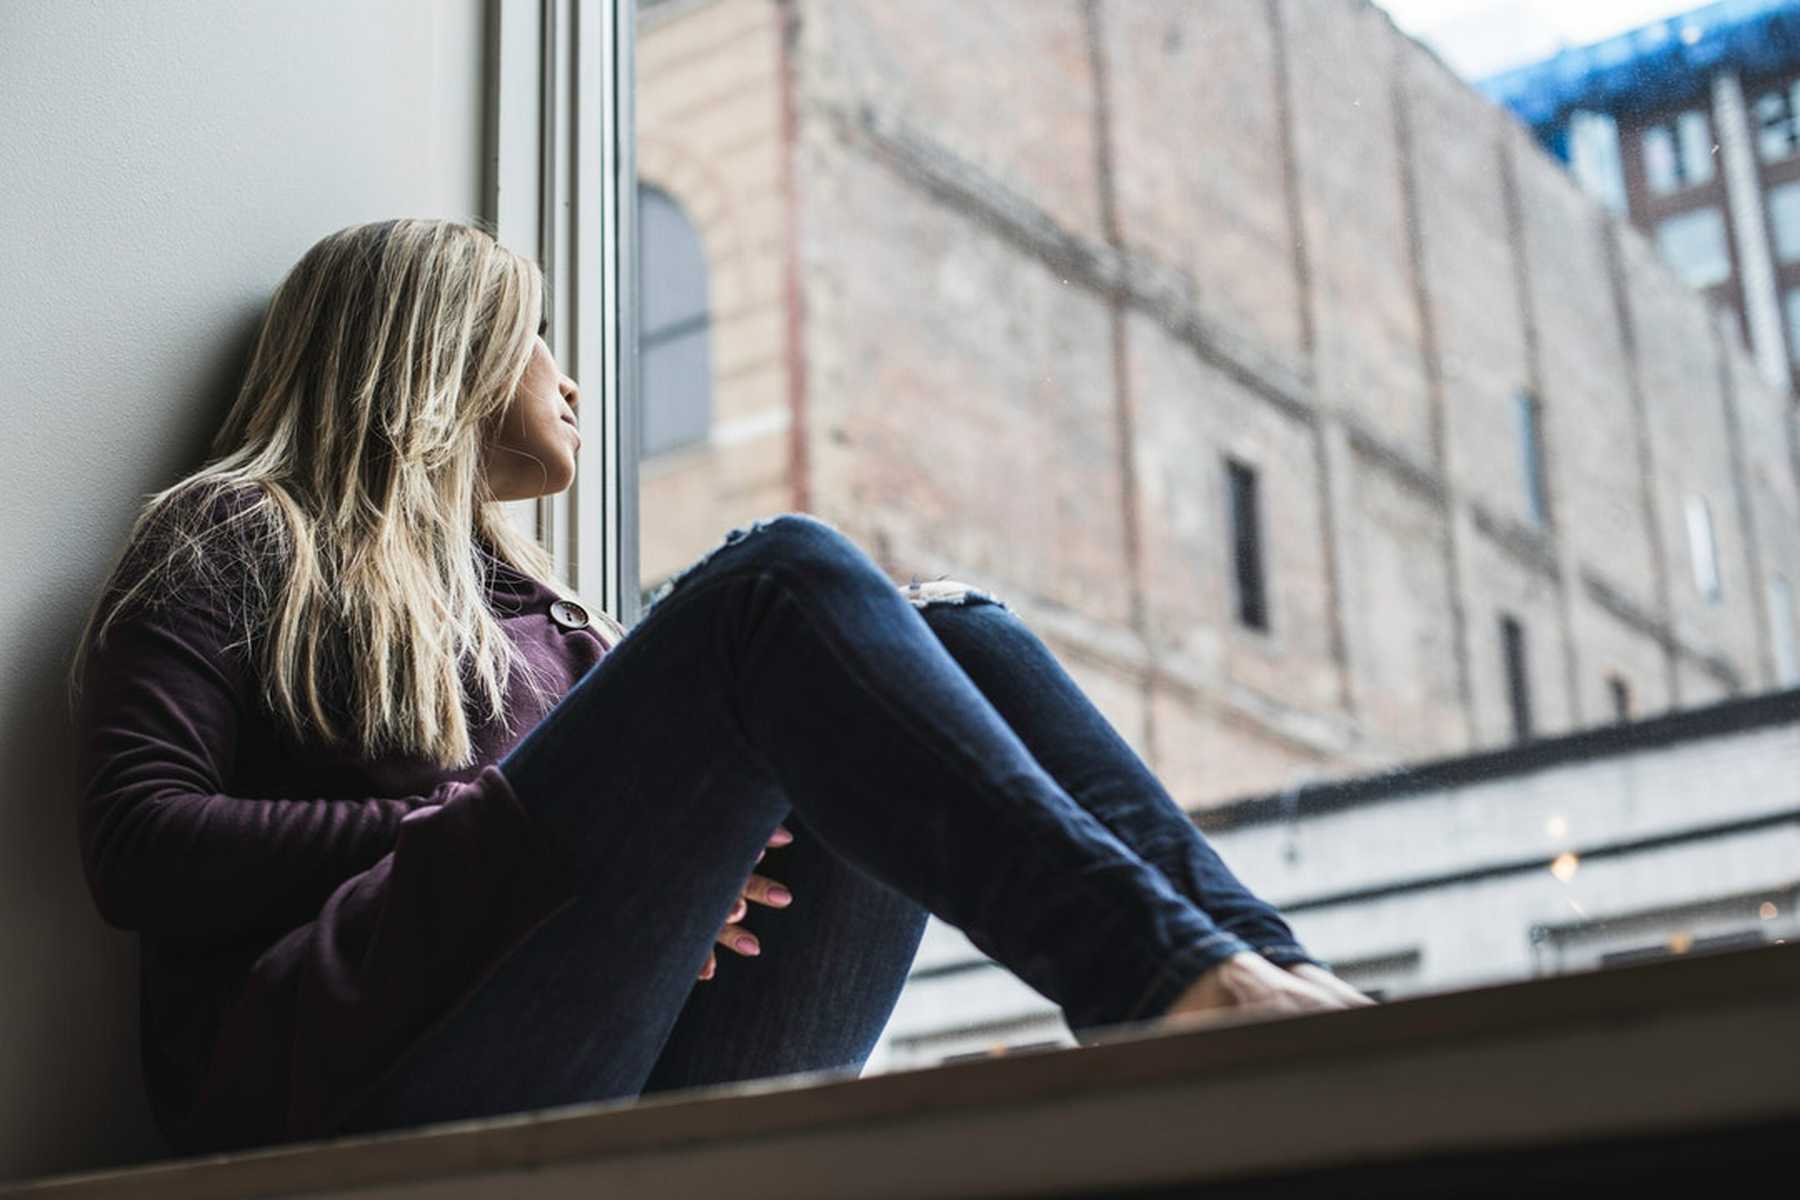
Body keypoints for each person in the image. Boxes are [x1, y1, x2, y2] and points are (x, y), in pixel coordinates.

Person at [67, 218, 1371, 1156]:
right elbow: (139, 845)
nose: (569, 378)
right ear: (434, 353)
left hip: (616, 1058)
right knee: (777, 579)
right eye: (532, 339)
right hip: (340, 1075)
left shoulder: (560, 627)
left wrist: (676, 873)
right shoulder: (239, 534)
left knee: (959, 629)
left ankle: (1267, 982)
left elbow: (604, 862)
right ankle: (1160, 984)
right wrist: (466, 823)